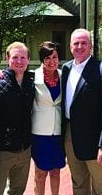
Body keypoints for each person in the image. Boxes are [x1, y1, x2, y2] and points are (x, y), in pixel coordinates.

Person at [61, 28, 102, 195]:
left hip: (95, 139)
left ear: (91, 46)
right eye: (76, 43)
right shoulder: (66, 69)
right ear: (70, 46)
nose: (79, 46)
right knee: (78, 183)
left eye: (84, 43)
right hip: (70, 136)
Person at [0, 42, 35, 195]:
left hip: (25, 149)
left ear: (28, 59)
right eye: (15, 57)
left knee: (17, 191)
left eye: (23, 57)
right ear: (7, 58)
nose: (19, 61)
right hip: (2, 150)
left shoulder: (32, 81)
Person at [31, 42, 66, 195]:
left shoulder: (64, 75)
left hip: (58, 132)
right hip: (40, 133)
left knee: (56, 172)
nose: (52, 61)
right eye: (47, 58)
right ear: (42, 60)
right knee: (40, 174)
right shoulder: (32, 76)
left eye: (55, 57)